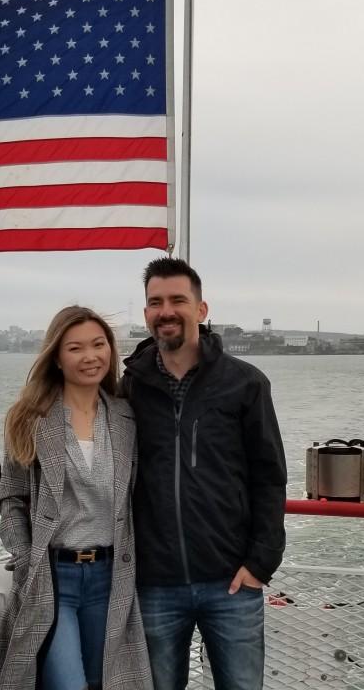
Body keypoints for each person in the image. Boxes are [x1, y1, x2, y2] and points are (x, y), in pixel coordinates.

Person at [121, 257, 287, 690]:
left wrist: (260, 562)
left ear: (201, 309)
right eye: (155, 302)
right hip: (154, 584)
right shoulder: (128, 389)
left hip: (231, 582)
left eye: (178, 299)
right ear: (146, 315)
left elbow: (269, 476)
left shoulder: (245, 383)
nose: (166, 310)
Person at [0, 306, 153, 690]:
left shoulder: (126, 418)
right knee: (68, 683)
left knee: (103, 682)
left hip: (111, 575)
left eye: (99, 345)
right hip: (52, 575)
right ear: (57, 358)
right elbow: (11, 498)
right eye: (76, 348)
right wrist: (25, 554)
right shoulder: (29, 418)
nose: (90, 356)